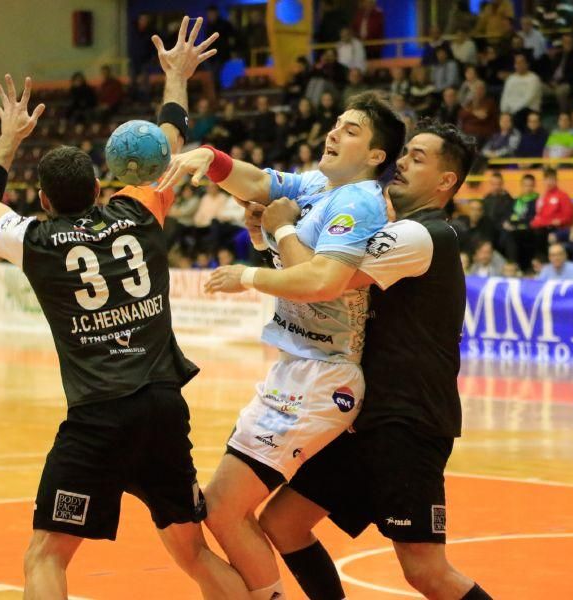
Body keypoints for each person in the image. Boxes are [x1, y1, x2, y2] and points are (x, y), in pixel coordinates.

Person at [0, 20, 251, 599]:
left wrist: (10, 139)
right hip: (162, 406)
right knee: (192, 552)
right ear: (99, 189)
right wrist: (175, 75)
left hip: (99, 417)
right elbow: (171, 142)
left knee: (46, 556)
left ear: (44, 202)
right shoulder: (141, 212)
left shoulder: (35, 241)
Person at [208, 120, 492, 600]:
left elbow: (322, 281)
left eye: (418, 158)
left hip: (408, 418)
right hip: (364, 413)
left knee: (425, 570)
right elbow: (313, 263)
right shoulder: (391, 224)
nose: (402, 162)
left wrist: (278, 233)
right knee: (284, 522)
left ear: (447, 181)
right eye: (405, 154)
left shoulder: (423, 237)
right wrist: (270, 235)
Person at [157, 92, 404, 599]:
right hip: (297, 368)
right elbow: (259, 183)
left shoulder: (358, 200)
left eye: (351, 130)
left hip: (325, 374)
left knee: (224, 508)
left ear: (377, 156)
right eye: (336, 122)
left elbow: (323, 281)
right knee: (236, 512)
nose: (333, 132)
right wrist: (213, 159)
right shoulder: (319, 184)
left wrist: (260, 256)